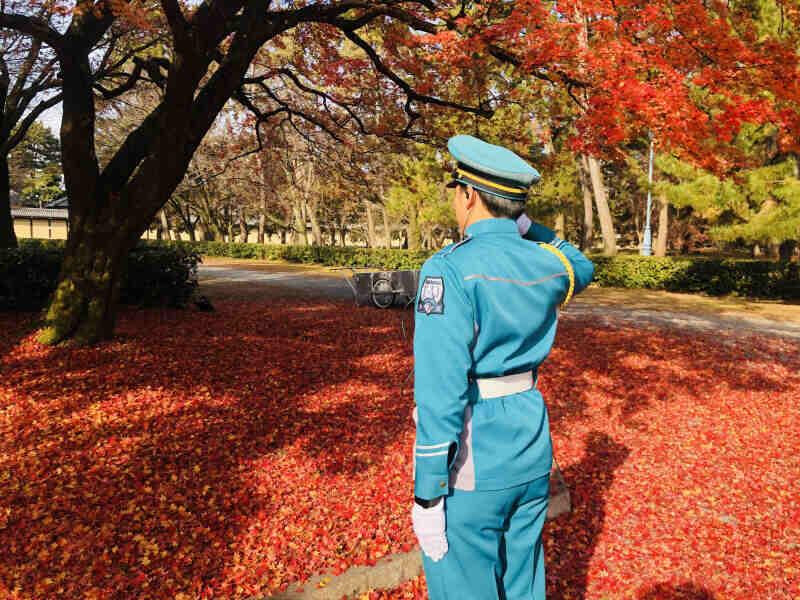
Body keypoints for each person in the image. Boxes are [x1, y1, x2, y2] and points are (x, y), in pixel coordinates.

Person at [410, 134, 595, 599]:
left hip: (474, 458)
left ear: (469, 194)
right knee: (523, 584)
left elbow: (440, 387)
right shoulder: (545, 265)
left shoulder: (447, 269)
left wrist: (428, 491)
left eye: (456, 191)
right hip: (531, 443)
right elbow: (582, 265)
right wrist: (526, 223)